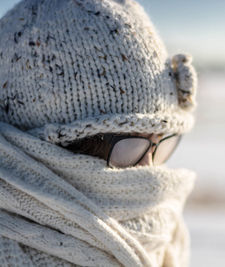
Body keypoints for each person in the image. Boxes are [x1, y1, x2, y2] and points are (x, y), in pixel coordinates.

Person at [0, 0, 197, 266]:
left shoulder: (166, 236)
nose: (149, 169)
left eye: (160, 143)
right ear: (41, 151)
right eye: (129, 147)